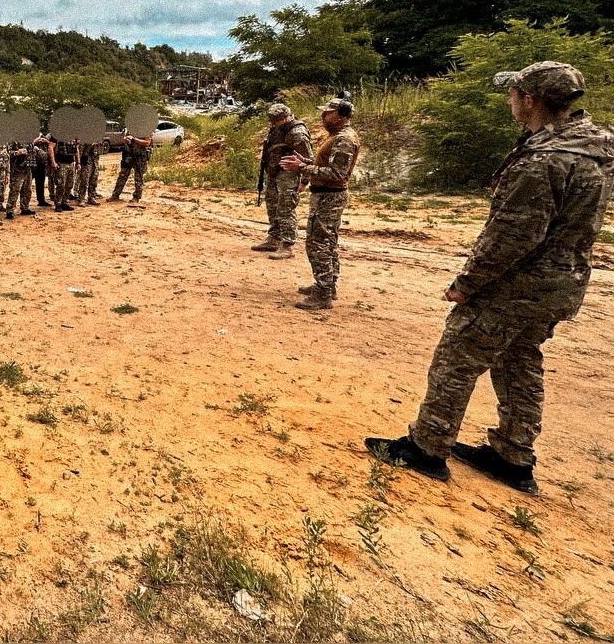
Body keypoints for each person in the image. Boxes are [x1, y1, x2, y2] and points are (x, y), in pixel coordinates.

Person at [365, 62, 613, 492]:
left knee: (457, 357)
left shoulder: (544, 160)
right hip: (562, 281)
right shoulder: (594, 148)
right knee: (520, 360)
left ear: (529, 100)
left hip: (517, 285)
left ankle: (427, 447)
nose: (510, 101)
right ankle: (513, 456)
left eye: (514, 94)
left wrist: (467, 283)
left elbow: (513, 236)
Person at [279, 97, 360, 310]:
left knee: (318, 244)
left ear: (341, 115)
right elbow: (328, 166)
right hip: (326, 195)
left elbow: (337, 173)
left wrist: (302, 168)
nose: (323, 117)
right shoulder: (337, 137)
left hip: (329, 197)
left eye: (328, 113)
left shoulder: (344, 139)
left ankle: (323, 293)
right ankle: (327, 286)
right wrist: (307, 163)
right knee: (328, 242)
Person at [253, 103, 313, 260]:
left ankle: (287, 245)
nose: (272, 123)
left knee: (285, 208)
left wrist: (304, 181)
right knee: (272, 205)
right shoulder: (277, 128)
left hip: (288, 174)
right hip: (274, 171)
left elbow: (308, 159)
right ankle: (274, 238)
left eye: (275, 120)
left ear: (285, 118)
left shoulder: (297, 133)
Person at [109, 131, 152, 202]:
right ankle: (115, 195)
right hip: (128, 154)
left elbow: (147, 143)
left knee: (138, 177)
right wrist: (126, 140)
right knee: (122, 175)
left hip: (139, 156)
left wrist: (134, 139)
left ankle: (136, 197)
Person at [8, 139, 37, 217]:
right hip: (17, 169)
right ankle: (10, 210)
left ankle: (25, 208)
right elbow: (7, 153)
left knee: (27, 189)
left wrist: (34, 150)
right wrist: (17, 152)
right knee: (15, 190)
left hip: (28, 168)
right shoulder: (13, 139)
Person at [52, 136, 78, 212]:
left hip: (71, 163)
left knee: (69, 185)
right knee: (61, 185)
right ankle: (58, 204)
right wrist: (53, 162)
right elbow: (50, 147)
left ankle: (65, 203)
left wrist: (78, 162)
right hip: (61, 163)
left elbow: (76, 149)